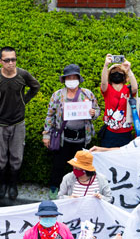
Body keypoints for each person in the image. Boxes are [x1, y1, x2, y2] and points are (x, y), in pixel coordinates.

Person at [0, 46, 41, 200]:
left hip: (18, 122)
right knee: (0, 156)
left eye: (13, 59)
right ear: (1, 61)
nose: (11, 63)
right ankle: (2, 183)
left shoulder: (23, 74)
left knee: (17, 156)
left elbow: (35, 86)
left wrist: (24, 100)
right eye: (7, 60)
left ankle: (13, 184)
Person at [43, 63, 100, 192]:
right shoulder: (57, 95)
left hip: (81, 137)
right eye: (69, 78)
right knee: (58, 165)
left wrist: (93, 113)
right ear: (64, 79)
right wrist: (46, 135)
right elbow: (50, 115)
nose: (72, 80)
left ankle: (77, 189)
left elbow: (97, 110)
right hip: (63, 137)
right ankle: (54, 188)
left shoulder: (87, 94)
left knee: (80, 166)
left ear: (79, 79)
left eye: (74, 77)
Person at [99, 54, 138, 148]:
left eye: (120, 72)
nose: (117, 73)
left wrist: (129, 70)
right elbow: (103, 83)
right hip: (110, 132)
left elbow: (135, 88)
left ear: (124, 76)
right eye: (114, 72)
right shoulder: (107, 89)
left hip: (126, 132)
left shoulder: (127, 89)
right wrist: (106, 66)